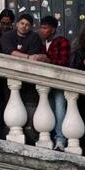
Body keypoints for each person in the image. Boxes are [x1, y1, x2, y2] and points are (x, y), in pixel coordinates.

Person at [31, 16, 70, 150]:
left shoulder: (61, 41)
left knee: (60, 109)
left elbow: (64, 62)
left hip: (58, 81)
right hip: (45, 82)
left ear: (53, 29)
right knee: (49, 109)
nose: (42, 30)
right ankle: (49, 137)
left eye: (46, 28)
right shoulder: (41, 43)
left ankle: (60, 139)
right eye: (41, 27)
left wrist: (48, 61)